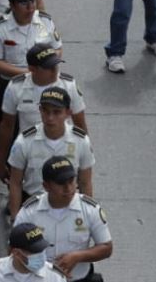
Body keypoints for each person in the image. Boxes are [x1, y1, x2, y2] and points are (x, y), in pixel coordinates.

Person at [15, 157, 113, 282]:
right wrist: (47, 270)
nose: (68, 188)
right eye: (61, 183)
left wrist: (77, 256)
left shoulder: (89, 209)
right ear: (46, 185)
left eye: (71, 181)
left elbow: (106, 247)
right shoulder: (30, 212)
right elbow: (15, 253)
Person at [0, 44, 89, 171]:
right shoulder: (16, 87)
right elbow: (7, 126)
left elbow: (80, 124)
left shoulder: (69, 85)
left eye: (55, 65)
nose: (54, 70)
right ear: (32, 69)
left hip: (63, 152)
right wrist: (1, 162)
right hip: (29, 155)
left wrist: (86, 160)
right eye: (48, 67)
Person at [7, 88, 96, 216]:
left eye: (56, 112)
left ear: (68, 113)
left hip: (68, 207)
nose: (50, 118)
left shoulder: (81, 141)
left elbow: (85, 182)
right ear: (40, 110)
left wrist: (88, 217)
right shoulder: (24, 141)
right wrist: (15, 220)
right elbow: (15, 183)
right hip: (33, 208)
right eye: (45, 111)